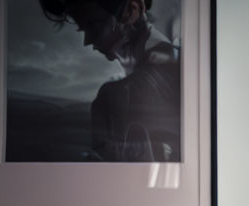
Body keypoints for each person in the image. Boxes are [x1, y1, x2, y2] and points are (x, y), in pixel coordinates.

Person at [39, 0, 180, 162]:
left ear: (131, 10)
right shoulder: (159, 65)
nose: (88, 41)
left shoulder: (117, 95)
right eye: (84, 29)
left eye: (92, 25)